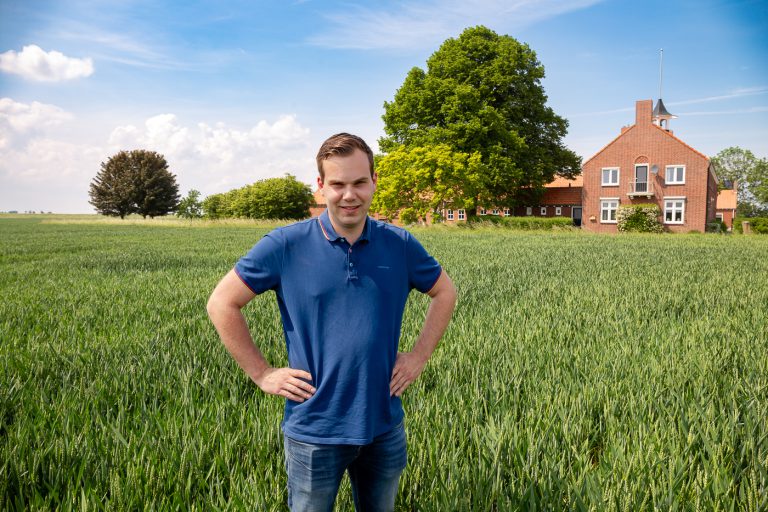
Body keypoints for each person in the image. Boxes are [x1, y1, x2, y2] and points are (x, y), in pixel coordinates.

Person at [207, 133, 457, 512]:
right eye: (338, 184)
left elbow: (445, 292)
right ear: (321, 186)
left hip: (384, 426)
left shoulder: (400, 244)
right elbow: (222, 302)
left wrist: (419, 356)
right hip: (314, 430)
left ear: (374, 182)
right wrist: (261, 373)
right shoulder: (284, 245)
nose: (349, 195)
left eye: (359, 182)